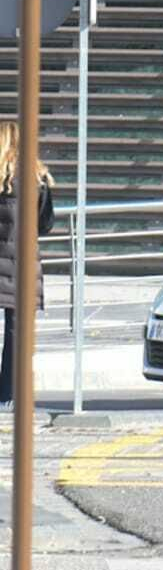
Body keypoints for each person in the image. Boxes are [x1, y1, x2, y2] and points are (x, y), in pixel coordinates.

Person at [0, 120, 53, 409]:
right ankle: (9, 394)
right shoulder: (36, 178)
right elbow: (45, 224)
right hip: (22, 264)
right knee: (16, 332)